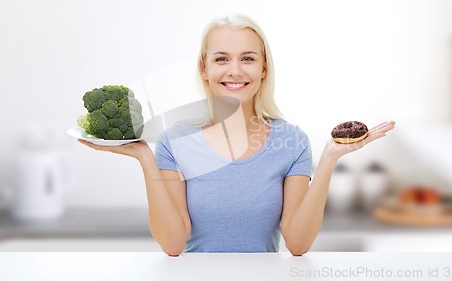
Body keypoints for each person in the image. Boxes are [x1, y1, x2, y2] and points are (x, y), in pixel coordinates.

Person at [79, 14, 395, 256]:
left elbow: (297, 244)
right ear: (204, 69)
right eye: (221, 59)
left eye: (247, 58)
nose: (235, 70)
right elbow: (174, 245)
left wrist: (328, 159)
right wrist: (146, 159)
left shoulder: (292, 142)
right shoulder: (175, 140)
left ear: (263, 68)